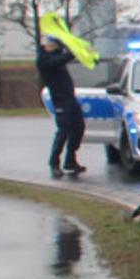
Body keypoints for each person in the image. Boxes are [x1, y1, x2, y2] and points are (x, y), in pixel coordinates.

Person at [37, 36, 85, 177]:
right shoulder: (43, 59)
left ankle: (70, 160)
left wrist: (70, 45)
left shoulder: (54, 55)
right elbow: (59, 60)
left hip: (70, 99)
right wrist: (72, 51)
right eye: (51, 46)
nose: (50, 47)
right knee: (63, 131)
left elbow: (61, 57)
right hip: (60, 100)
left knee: (78, 128)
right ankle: (54, 163)